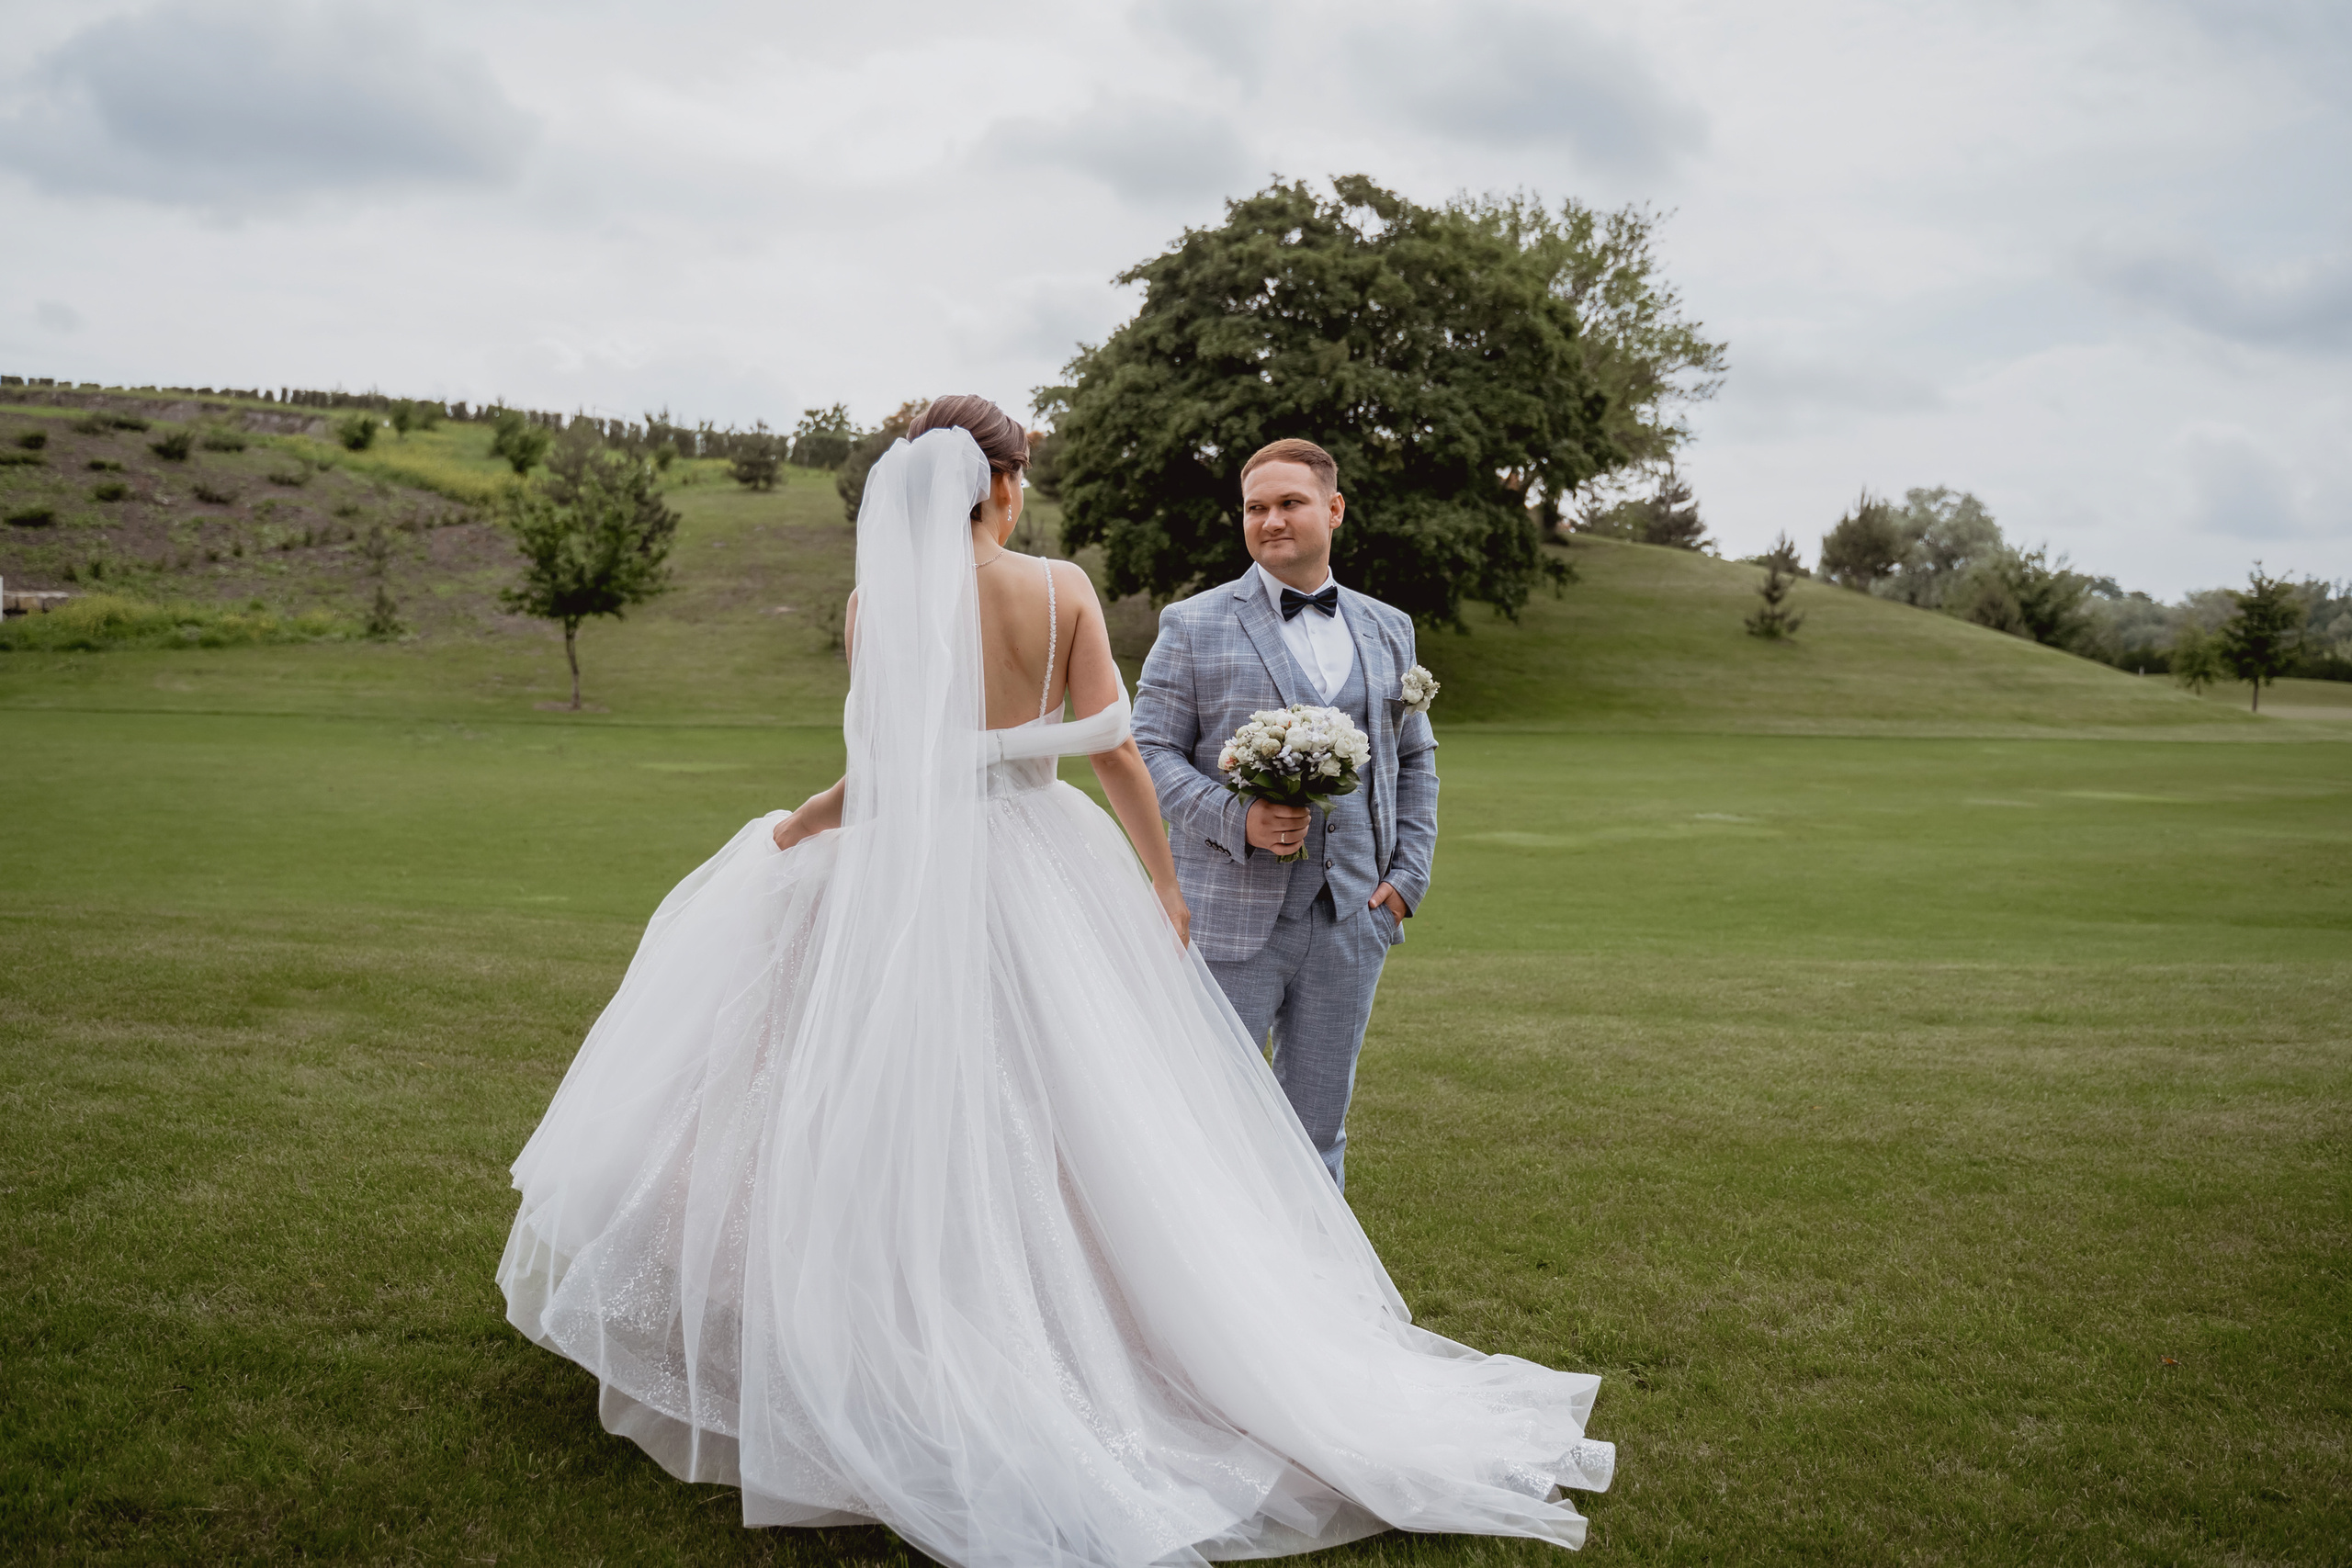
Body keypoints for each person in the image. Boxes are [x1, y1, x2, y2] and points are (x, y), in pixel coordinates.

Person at [497, 398, 1611, 1566]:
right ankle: (1093, 1347)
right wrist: (1163, 884)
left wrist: (805, 826)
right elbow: (1118, 747)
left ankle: (891, 1346)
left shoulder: (876, 605)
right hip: (1041, 865)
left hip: (906, 872)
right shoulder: (1060, 587)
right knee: (1084, 1118)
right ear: (1009, 482)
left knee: (889, 1106)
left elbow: (878, 771)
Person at [1133, 438, 1434, 1190]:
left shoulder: (1388, 627)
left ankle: (1322, 1302)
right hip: (1230, 917)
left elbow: (1416, 756)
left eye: (1289, 503)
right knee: (1210, 1123)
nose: (1269, 520)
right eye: (1254, 507)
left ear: (1333, 510)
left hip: (1353, 918)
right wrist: (1236, 819)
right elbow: (1149, 748)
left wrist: (1405, 881)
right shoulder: (1192, 623)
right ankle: (1210, 1301)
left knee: (1318, 1130)